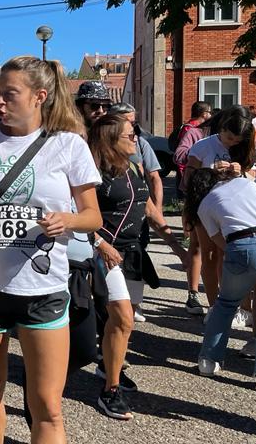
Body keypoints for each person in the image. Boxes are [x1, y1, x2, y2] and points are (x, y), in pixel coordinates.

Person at [0, 55, 102, 443]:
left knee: (46, 404)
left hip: (40, 288)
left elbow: (93, 215)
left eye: (10, 94)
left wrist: (69, 220)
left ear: (39, 96)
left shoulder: (68, 146)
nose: (1, 103)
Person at [88, 114, 187, 419]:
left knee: (119, 323)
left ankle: (108, 365)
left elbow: (150, 210)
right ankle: (110, 391)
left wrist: (177, 248)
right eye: (130, 136)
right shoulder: (93, 172)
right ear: (109, 140)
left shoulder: (132, 168)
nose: (136, 140)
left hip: (132, 254)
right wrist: (100, 245)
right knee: (124, 320)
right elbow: (74, 212)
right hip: (106, 254)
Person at [185, 168, 256, 393]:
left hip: (241, 245)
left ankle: (208, 361)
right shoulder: (246, 183)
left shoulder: (204, 206)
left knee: (226, 303)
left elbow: (217, 242)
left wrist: (242, 256)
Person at [184, 105, 256, 318]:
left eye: (236, 140)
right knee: (210, 254)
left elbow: (255, 175)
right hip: (206, 206)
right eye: (229, 137)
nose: (232, 142)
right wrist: (210, 171)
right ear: (222, 127)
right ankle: (215, 306)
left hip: (237, 207)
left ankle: (235, 306)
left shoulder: (246, 146)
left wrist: (241, 171)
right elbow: (188, 179)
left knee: (230, 255)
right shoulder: (202, 146)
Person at [106, 102, 164, 322]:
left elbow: (155, 177)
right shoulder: (98, 152)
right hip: (110, 223)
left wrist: (156, 211)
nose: (134, 130)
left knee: (136, 256)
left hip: (137, 212)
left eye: (134, 123)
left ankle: (134, 303)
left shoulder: (140, 144)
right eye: (128, 123)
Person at [173, 101, 212, 315]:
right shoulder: (194, 133)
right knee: (197, 244)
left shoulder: (229, 141)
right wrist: (199, 159)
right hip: (197, 194)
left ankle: (220, 299)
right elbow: (178, 155)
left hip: (223, 198)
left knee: (219, 250)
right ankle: (193, 294)